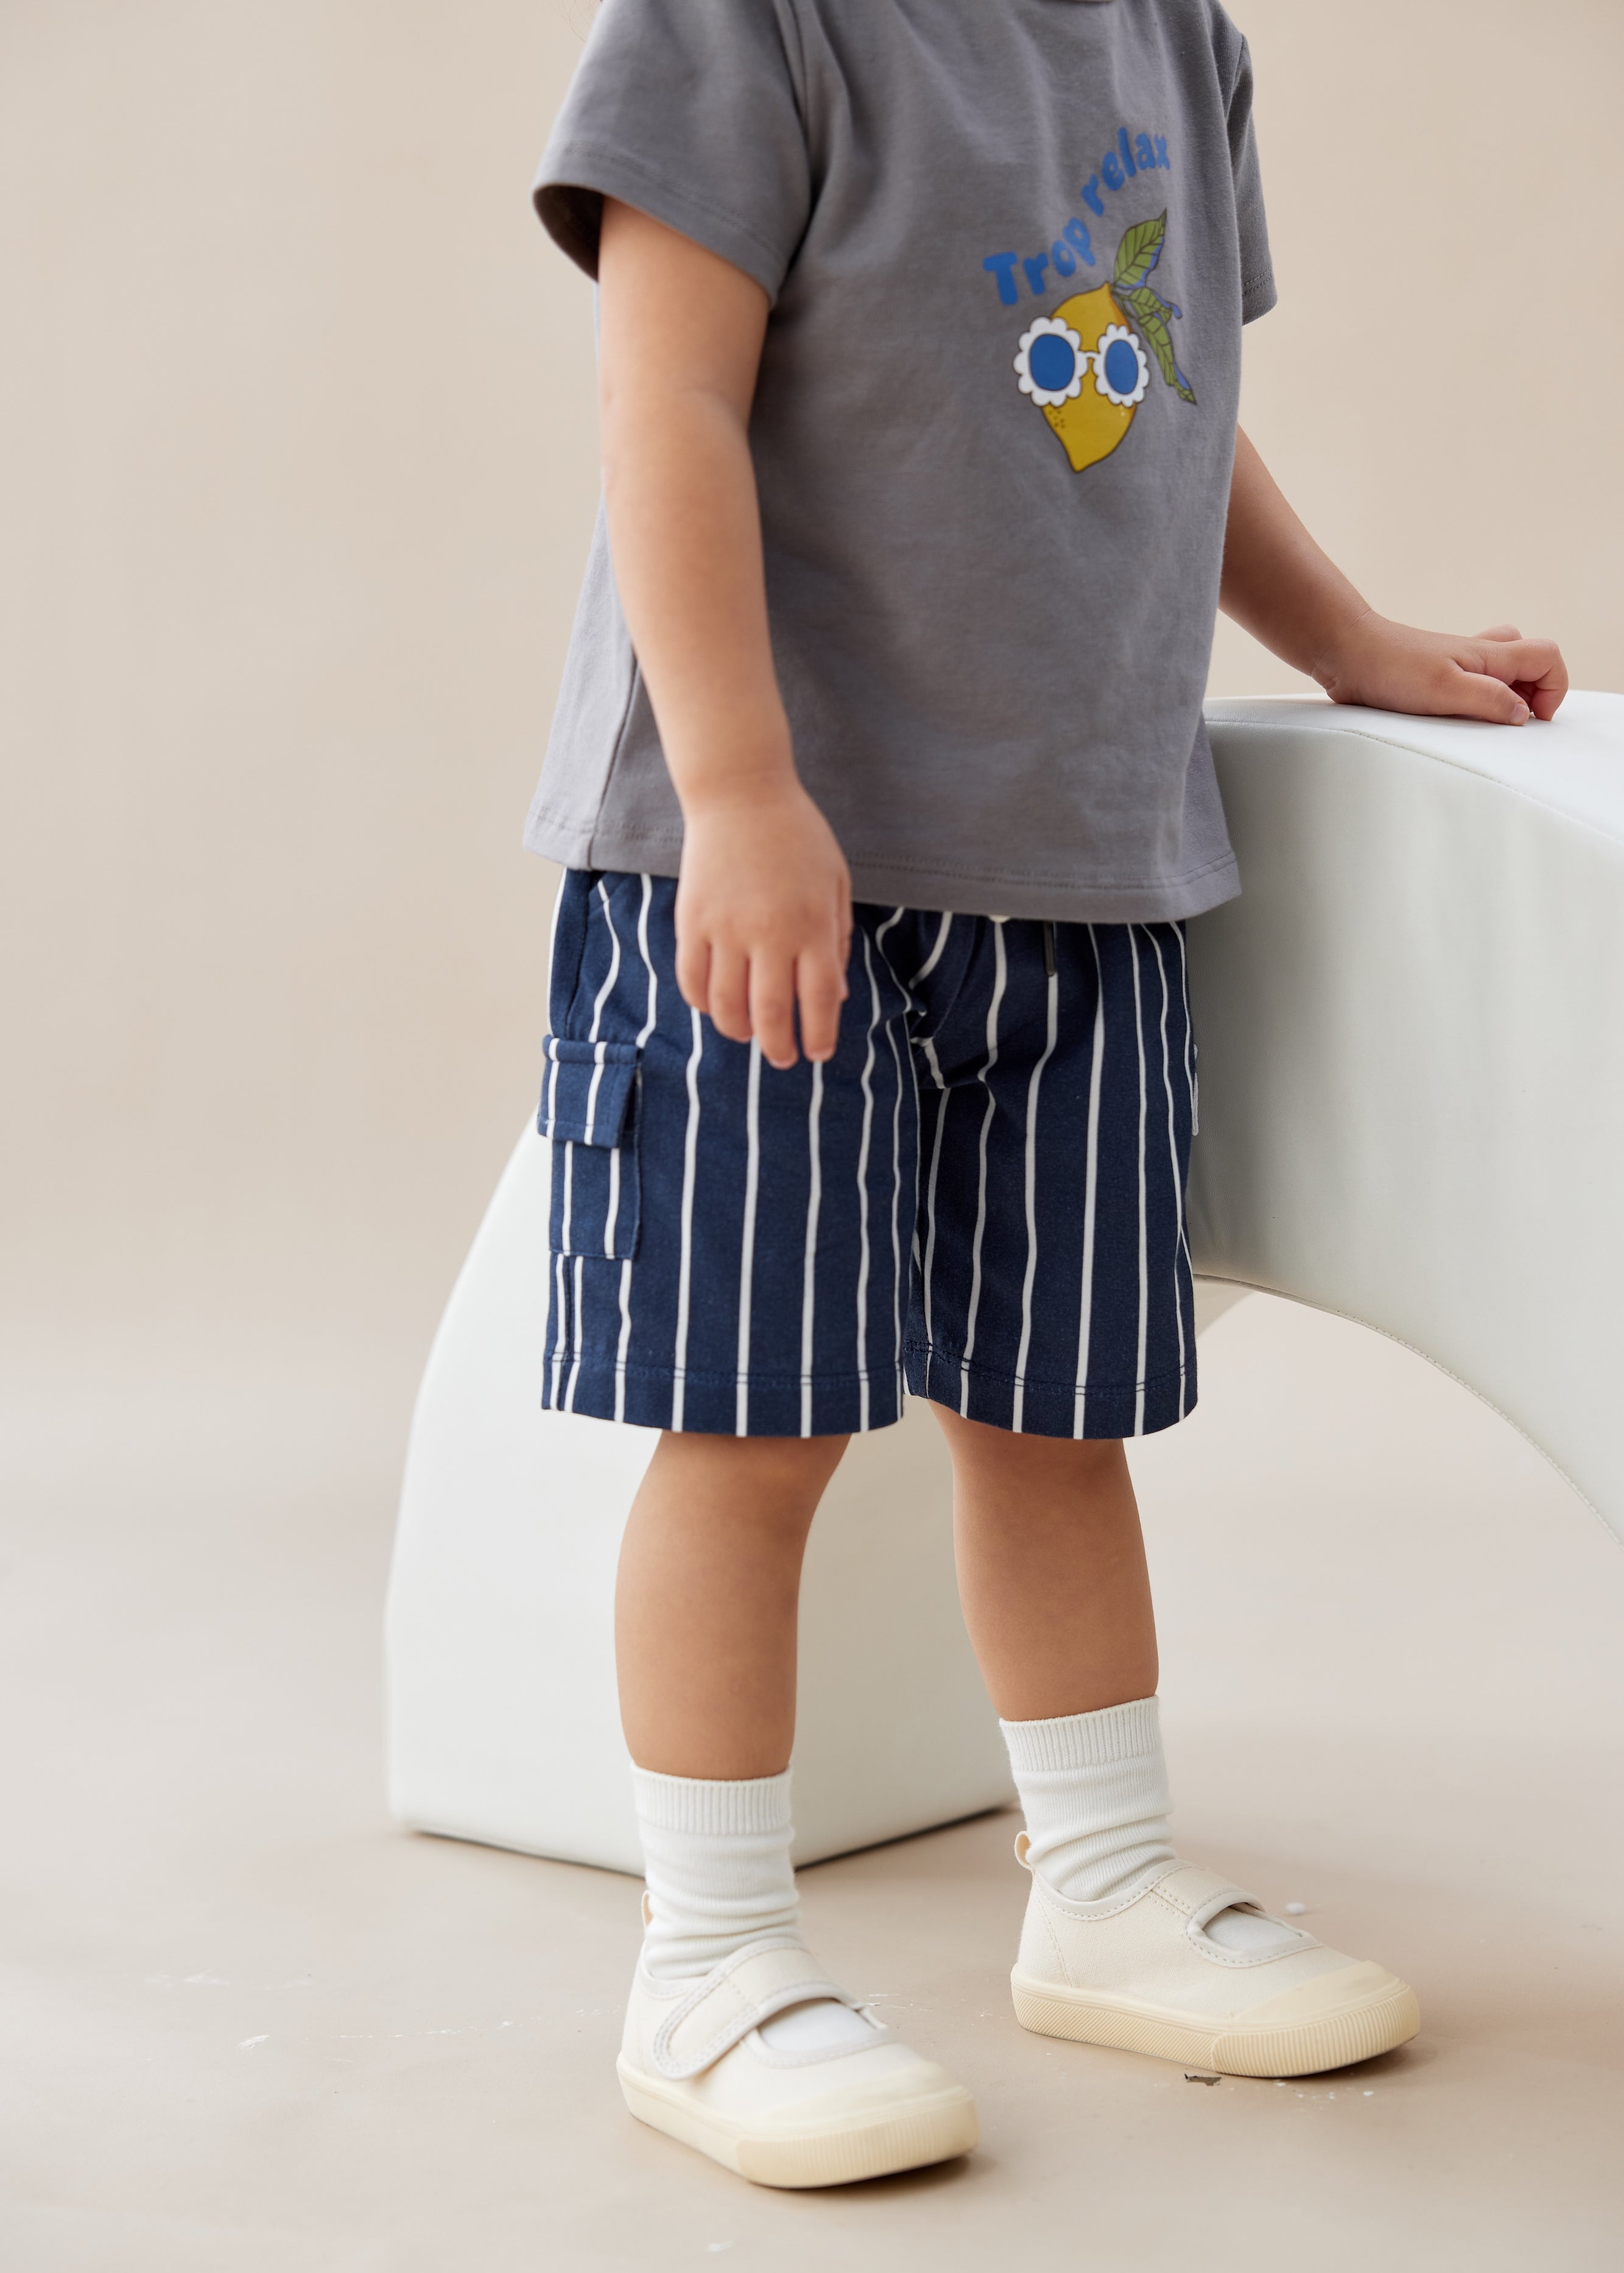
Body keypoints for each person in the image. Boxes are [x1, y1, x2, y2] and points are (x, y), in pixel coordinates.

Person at [522, 0, 1567, 2189]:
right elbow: (668, 393)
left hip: (1081, 864)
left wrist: (1346, 635)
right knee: (754, 1420)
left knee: (1051, 1408)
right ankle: (710, 1957)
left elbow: (1160, 393)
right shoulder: (747, 24)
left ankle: (1100, 1881)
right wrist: (732, 784)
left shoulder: (1170, 36)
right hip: (770, 866)